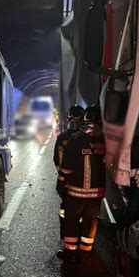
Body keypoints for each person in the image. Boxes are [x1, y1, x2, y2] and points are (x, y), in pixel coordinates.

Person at [57, 104, 106, 263]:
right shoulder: (106, 141)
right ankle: (85, 253)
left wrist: (61, 184)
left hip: (76, 193)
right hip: (97, 195)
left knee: (71, 221)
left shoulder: (76, 139)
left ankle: (70, 253)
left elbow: (66, 167)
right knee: (91, 223)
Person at [53, 104, 84, 240]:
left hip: (66, 183)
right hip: (81, 184)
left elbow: (56, 160)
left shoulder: (62, 138)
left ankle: (65, 235)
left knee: (65, 211)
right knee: (81, 212)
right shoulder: (84, 139)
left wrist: (62, 178)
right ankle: (80, 234)